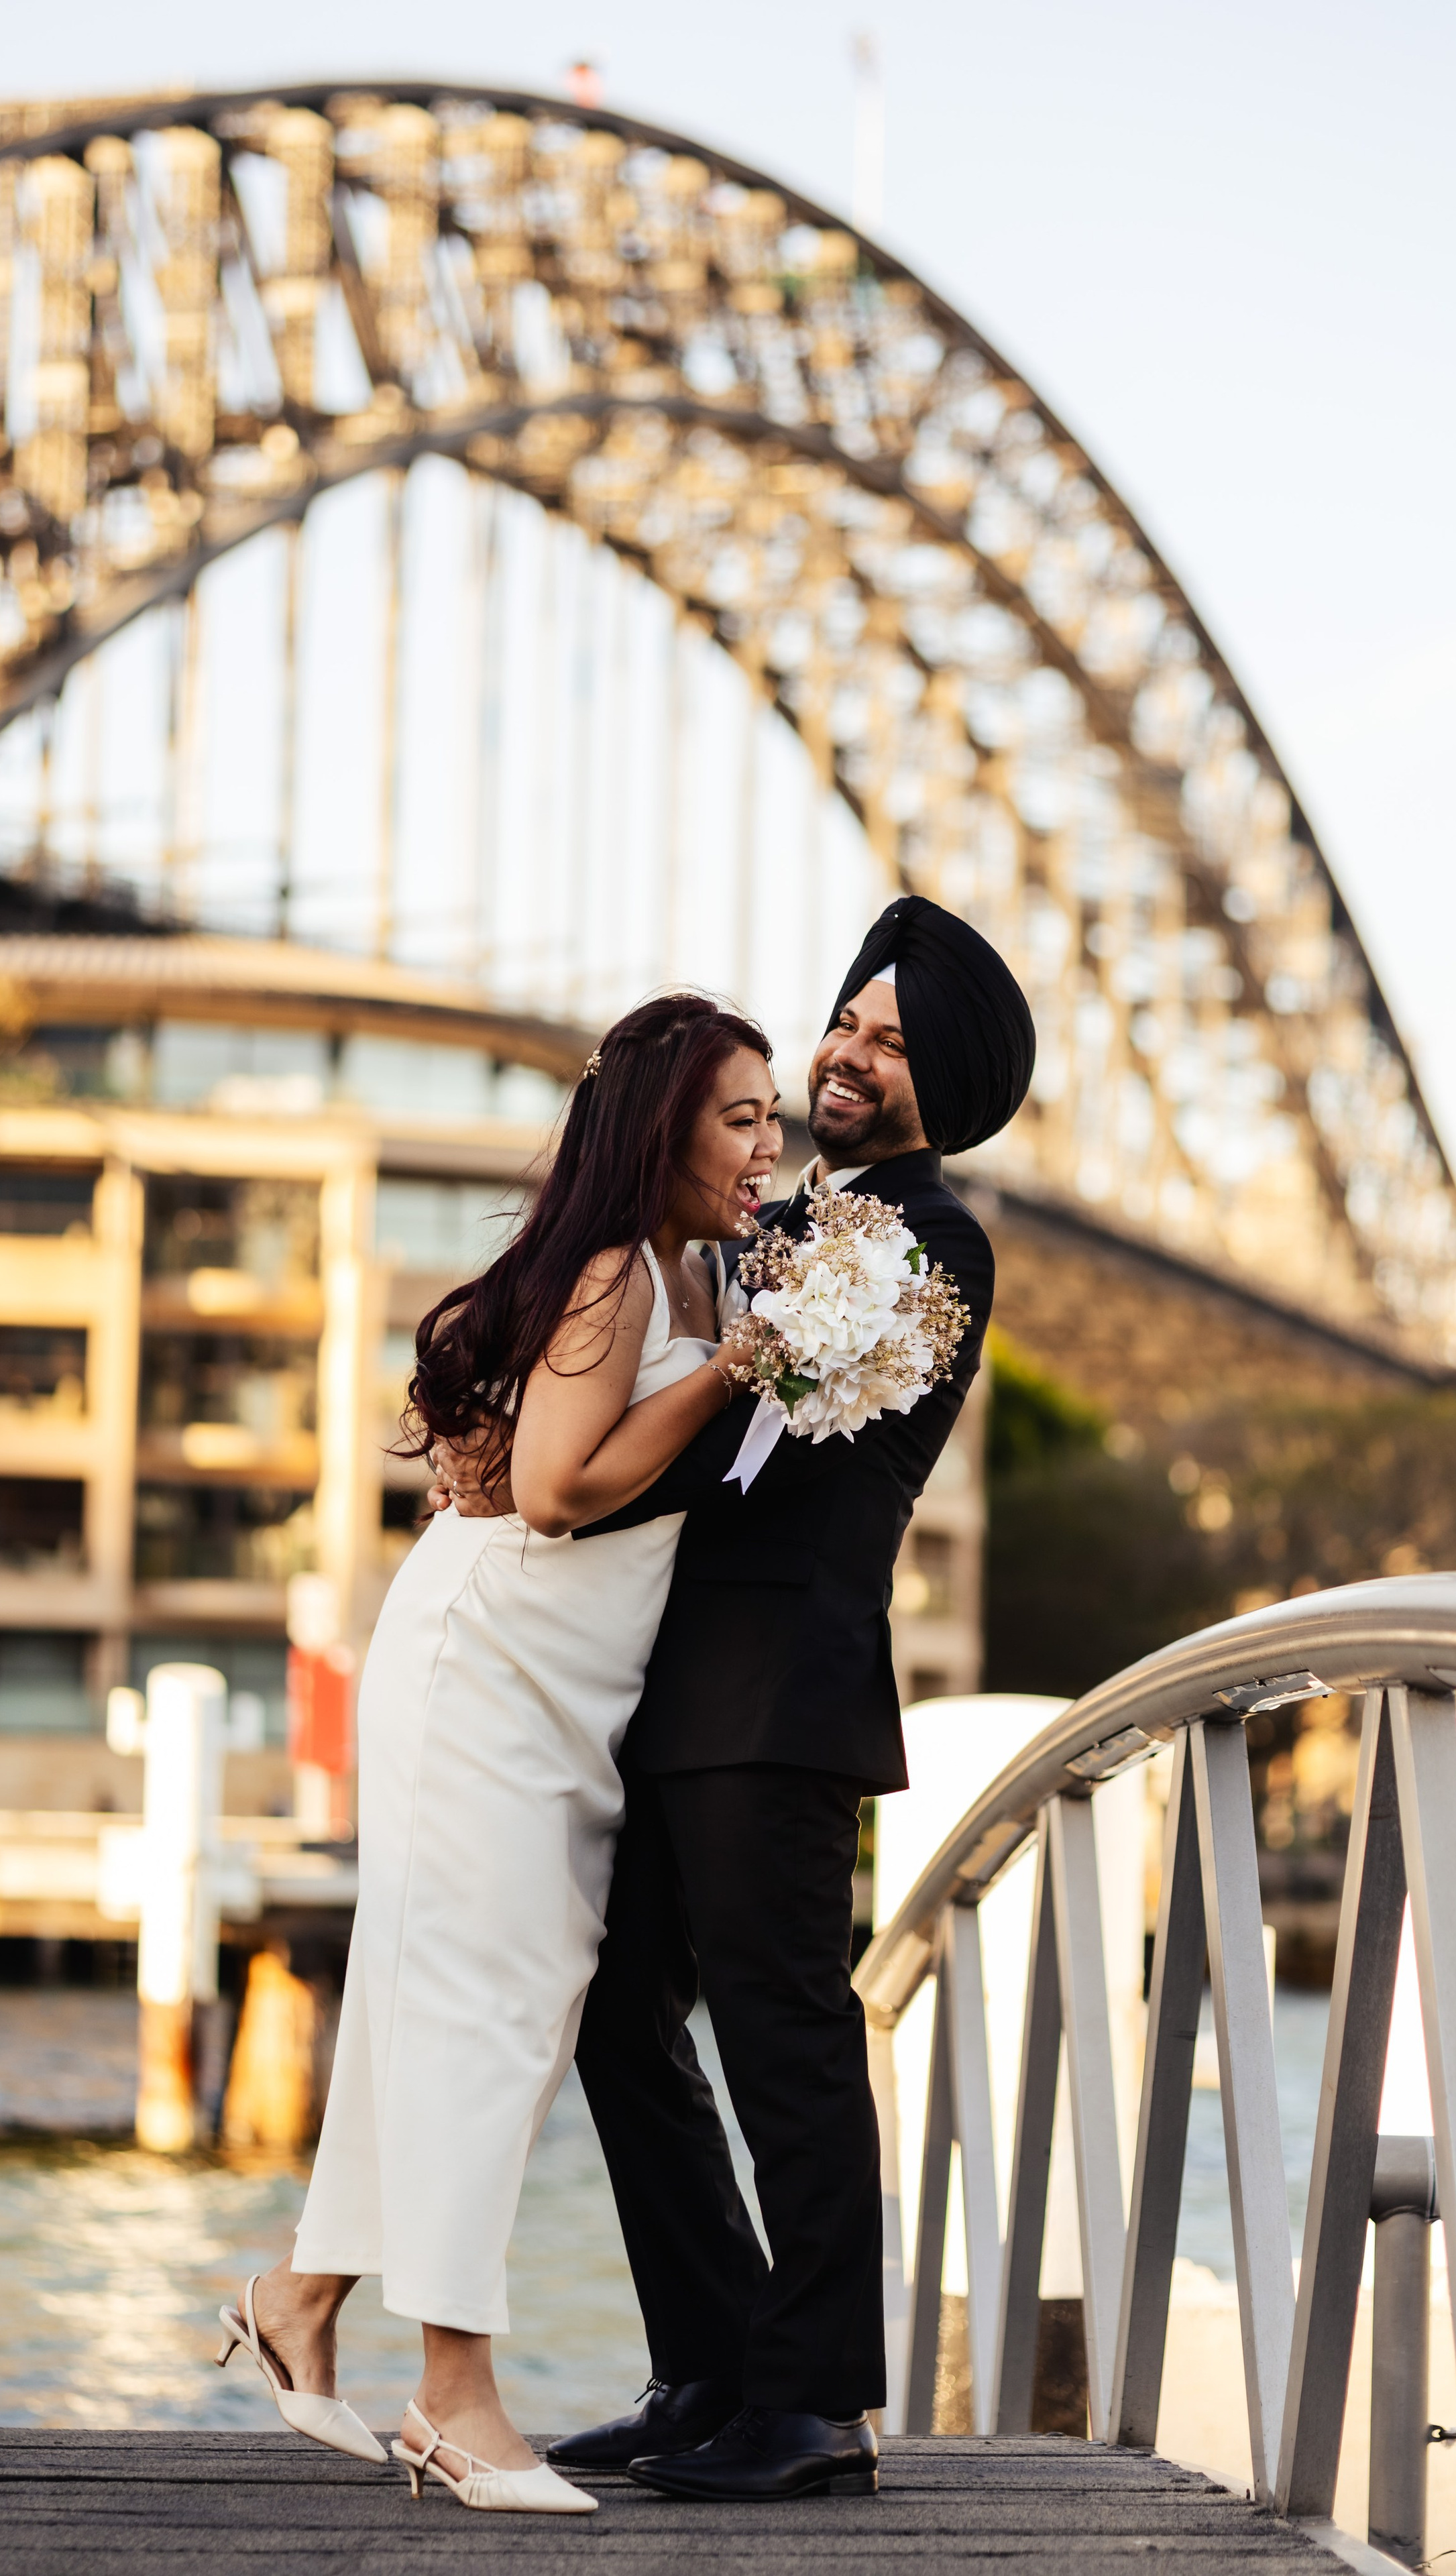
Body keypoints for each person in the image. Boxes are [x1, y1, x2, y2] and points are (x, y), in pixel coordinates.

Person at [438, 894, 1034, 2502]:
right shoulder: (765, 1230)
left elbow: (722, 1439)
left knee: (784, 2039)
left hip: (776, 1695)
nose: (847, 1052)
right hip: (665, 1690)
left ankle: (818, 2402)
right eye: (847, 1020)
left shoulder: (925, 1250)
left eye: (890, 1043)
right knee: (618, 2014)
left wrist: (546, 1479)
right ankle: (706, 2364)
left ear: (944, 1082)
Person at [215, 993, 783, 2516]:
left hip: (545, 1680)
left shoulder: (680, 1266)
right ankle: (454, 2399)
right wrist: (736, 1367)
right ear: (662, 1129)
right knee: (488, 2007)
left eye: (769, 1113)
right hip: (489, 1671)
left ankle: (301, 2302)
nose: (765, 1140)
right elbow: (549, 1487)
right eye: (738, 1115)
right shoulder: (618, 1272)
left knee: (459, 1997)